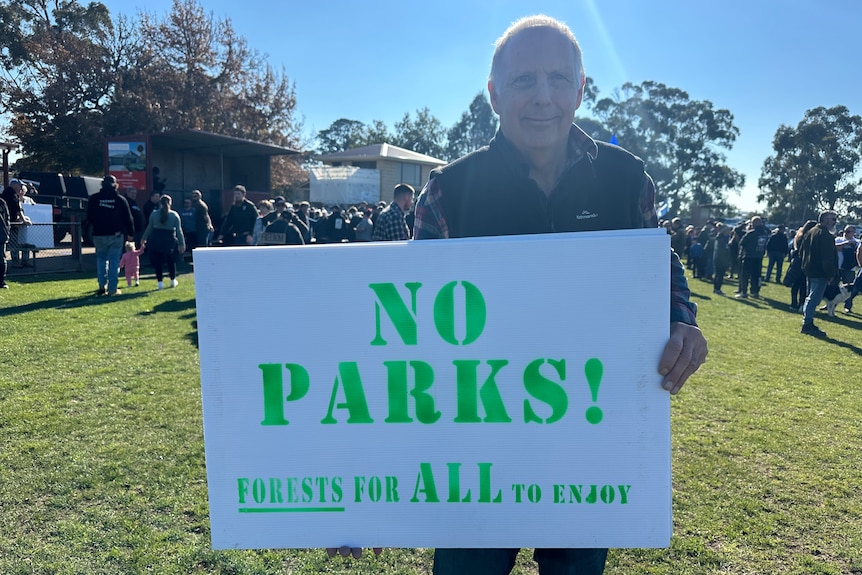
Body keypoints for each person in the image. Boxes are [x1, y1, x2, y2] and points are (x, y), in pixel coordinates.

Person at [402, 15, 704, 574]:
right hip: (477, 453)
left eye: (559, 79)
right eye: (523, 81)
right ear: (494, 94)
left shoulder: (627, 179)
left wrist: (681, 318)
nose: (543, 98)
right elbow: (407, 322)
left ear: (581, 87)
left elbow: (657, 264)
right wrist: (354, 492)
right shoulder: (449, 189)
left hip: (588, 442)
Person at [87, 175, 134, 296]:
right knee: (114, 261)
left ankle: (102, 286)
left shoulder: (94, 199)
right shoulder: (120, 200)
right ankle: (112, 288)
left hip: (98, 234)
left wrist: (97, 226)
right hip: (116, 234)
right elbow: (128, 218)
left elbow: (89, 217)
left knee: (101, 259)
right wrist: (130, 233)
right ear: (115, 184)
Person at [799, 210, 839, 337]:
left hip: (809, 269)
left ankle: (807, 321)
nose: (835, 222)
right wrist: (830, 273)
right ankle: (807, 324)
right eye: (833, 219)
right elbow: (827, 258)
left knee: (810, 297)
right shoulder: (825, 235)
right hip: (820, 272)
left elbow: (801, 251)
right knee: (814, 298)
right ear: (826, 219)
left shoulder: (811, 231)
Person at [141, 194, 185, 289]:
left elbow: (149, 228)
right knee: (171, 261)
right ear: (170, 203)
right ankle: (173, 280)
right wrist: (182, 243)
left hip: (156, 239)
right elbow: (179, 230)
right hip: (169, 240)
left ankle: (160, 283)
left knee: (158, 263)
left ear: (160, 203)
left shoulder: (154, 214)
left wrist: (143, 238)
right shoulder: (174, 215)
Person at [735, 216, 768, 299]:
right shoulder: (764, 233)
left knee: (745, 275)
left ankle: (744, 292)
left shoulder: (751, 233)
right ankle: (755, 292)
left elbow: (742, 242)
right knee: (756, 276)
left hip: (749, 256)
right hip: (759, 257)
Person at [2, 179, 32, 268]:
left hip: (6, 223)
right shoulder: (12, 195)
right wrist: (24, 220)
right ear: (16, 186)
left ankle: (19, 261)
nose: (21, 189)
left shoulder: (4, 194)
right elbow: (17, 209)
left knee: (14, 243)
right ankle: (16, 262)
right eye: (20, 186)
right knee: (15, 243)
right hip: (12, 224)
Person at [834, 225, 858, 313]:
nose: (845, 233)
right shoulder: (838, 239)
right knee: (833, 286)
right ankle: (831, 303)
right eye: (845, 231)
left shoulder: (857, 242)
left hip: (849, 269)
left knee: (849, 290)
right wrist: (846, 244)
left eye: (848, 231)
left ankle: (848, 306)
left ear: (853, 233)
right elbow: (835, 248)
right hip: (837, 268)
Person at [712, 223, 732, 295]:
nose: (729, 232)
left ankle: (716, 288)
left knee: (719, 275)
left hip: (720, 259)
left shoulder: (722, 238)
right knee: (719, 275)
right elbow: (724, 249)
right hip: (720, 259)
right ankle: (717, 289)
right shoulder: (721, 239)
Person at [0, 191, 9, 288]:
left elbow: (7, 219)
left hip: (1, 236)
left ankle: (1, 281)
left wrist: (7, 231)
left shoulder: (2, 203)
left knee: (1, 260)